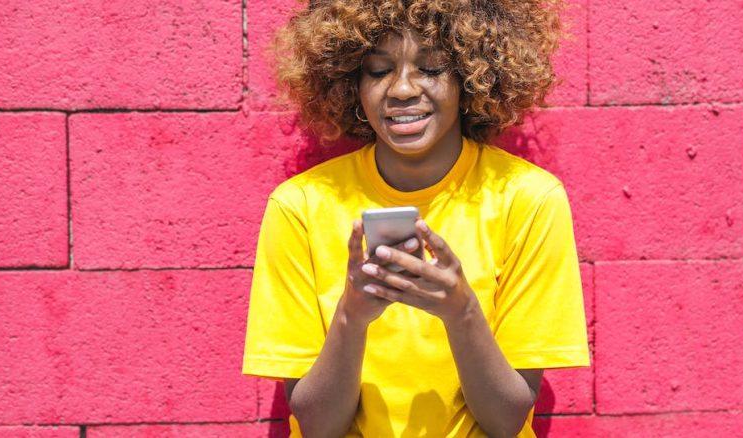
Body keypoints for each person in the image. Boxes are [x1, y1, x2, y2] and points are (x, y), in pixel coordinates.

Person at [242, 1, 589, 436]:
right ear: (350, 82)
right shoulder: (300, 206)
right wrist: (352, 316)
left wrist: (460, 311)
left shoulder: (529, 199)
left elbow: (506, 420)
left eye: (431, 68)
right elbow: (316, 426)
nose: (402, 89)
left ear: (472, 75)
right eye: (377, 69)